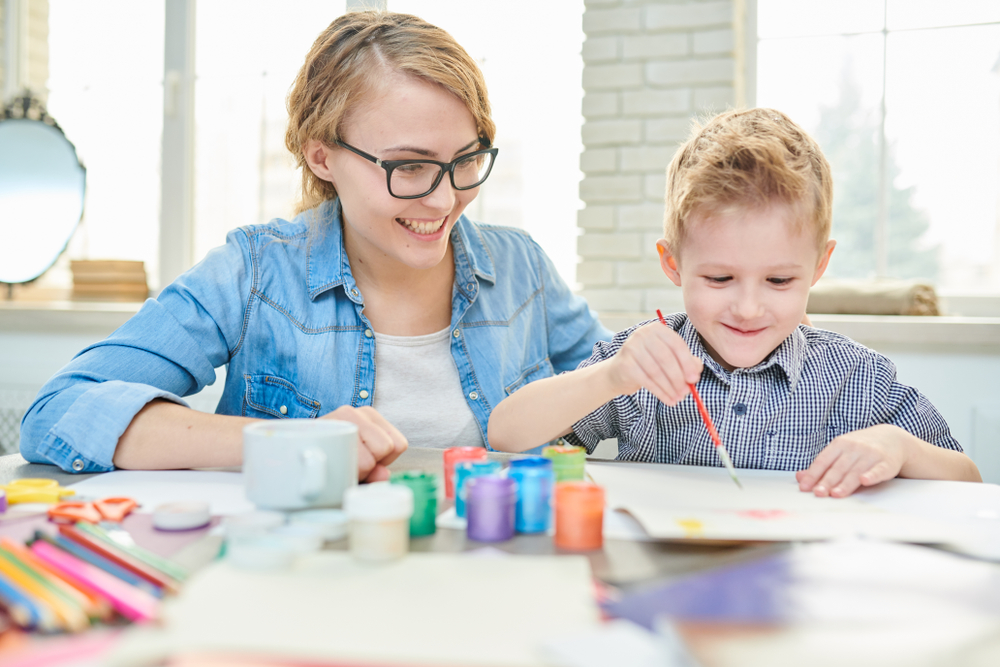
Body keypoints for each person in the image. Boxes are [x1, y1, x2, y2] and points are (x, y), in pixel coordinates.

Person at [20, 11, 609, 481]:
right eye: (409, 168)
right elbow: (59, 413)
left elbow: (635, 403)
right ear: (321, 154)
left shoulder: (521, 267)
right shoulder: (255, 272)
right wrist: (287, 441)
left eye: (466, 160)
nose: (443, 199)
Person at [488, 108, 981, 498]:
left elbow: (968, 483)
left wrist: (897, 447)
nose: (748, 308)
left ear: (819, 267)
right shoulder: (639, 366)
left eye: (780, 280)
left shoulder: (856, 378)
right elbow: (506, 434)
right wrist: (609, 376)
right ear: (673, 263)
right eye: (720, 278)